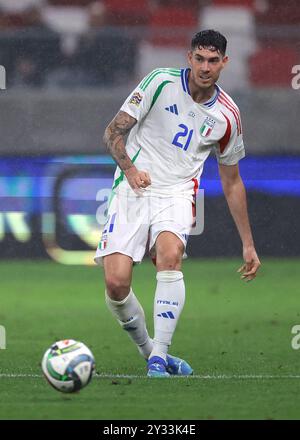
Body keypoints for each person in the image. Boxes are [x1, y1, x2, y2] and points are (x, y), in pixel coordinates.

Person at [94, 29, 261, 377]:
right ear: (189, 58)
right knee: (116, 283)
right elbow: (112, 133)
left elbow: (232, 182)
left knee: (170, 258)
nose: (205, 67)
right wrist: (131, 170)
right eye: (199, 58)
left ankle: (159, 359)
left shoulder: (228, 117)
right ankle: (150, 351)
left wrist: (248, 243)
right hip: (132, 188)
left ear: (224, 63)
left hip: (178, 192)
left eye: (213, 60)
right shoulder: (159, 82)